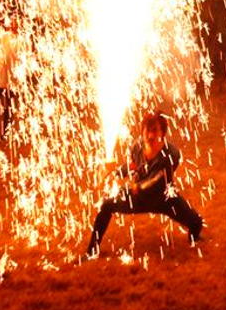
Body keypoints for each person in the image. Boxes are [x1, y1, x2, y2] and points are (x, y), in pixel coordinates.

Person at [84, 111, 204, 259]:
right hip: (138, 198)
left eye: (155, 130)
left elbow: (157, 180)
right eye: (147, 130)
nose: (150, 136)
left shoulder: (171, 154)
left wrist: (137, 187)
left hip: (164, 199)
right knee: (107, 205)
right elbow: (134, 166)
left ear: (163, 133)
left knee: (197, 222)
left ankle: (194, 240)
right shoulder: (138, 146)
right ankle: (91, 251)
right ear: (142, 131)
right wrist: (113, 173)